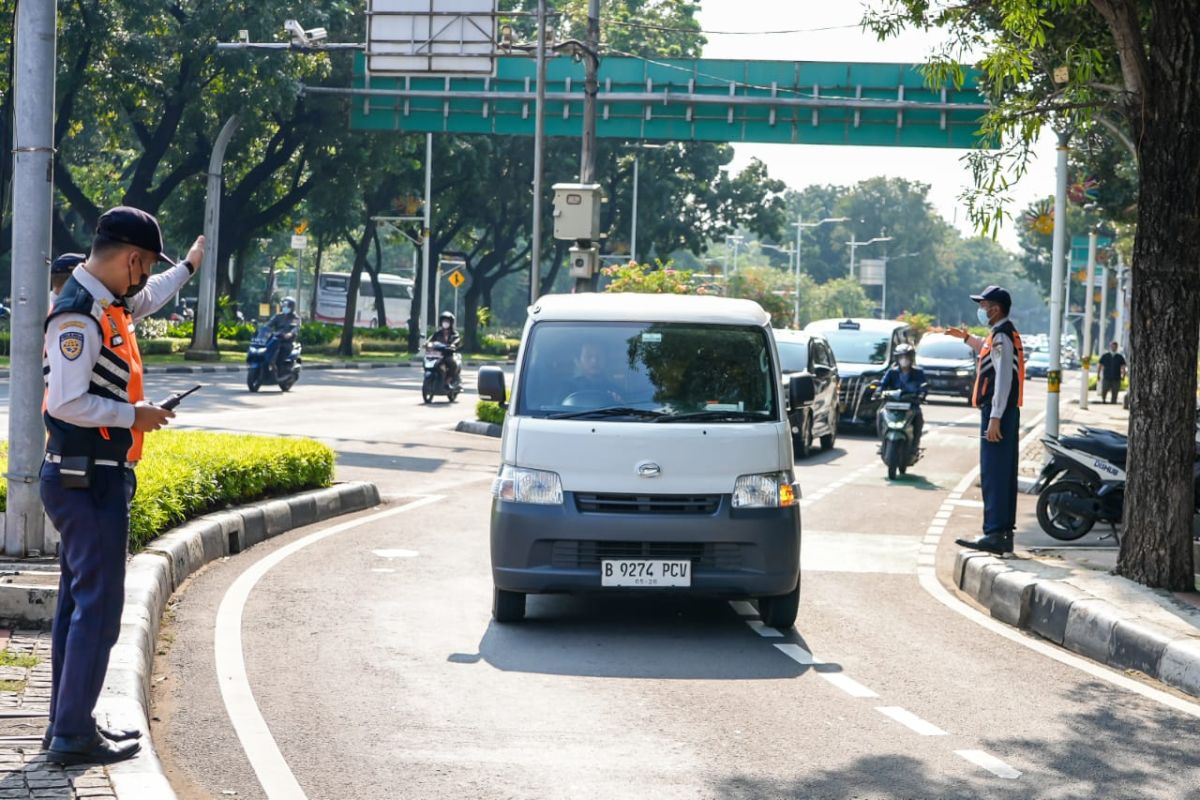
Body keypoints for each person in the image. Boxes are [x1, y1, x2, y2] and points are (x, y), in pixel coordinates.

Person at [41, 206, 203, 765]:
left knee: (77, 605)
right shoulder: (79, 315)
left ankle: (68, 721)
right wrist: (134, 415)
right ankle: (71, 734)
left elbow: (150, 297)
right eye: (143, 268)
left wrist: (186, 267)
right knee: (100, 608)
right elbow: (65, 401)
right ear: (131, 258)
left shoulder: (106, 302)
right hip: (85, 481)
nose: (141, 281)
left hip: (89, 477)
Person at [946, 285, 1025, 555]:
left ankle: (996, 534)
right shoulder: (1001, 334)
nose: (981, 310)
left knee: (995, 473)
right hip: (1001, 412)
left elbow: (1003, 379)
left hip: (998, 413)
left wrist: (995, 417)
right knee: (998, 472)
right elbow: (987, 351)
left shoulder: (1002, 336)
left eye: (984, 305)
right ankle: (999, 532)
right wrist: (967, 337)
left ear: (996, 308)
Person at [876, 342, 927, 448]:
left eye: (907, 356)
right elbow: (882, 385)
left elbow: (923, 386)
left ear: (911, 358)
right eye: (901, 357)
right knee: (880, 414)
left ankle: (914, 445)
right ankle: (883, 443)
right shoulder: (891, 372)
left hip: (911, 405)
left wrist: (922, 394)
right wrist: (878, 392)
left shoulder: (919, 372)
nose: (904, 359)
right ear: (897, 358)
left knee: (918, 419)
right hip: (892, 404)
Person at [426, 311, 462, 387]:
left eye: (447, 321)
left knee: (452, 363)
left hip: (448, 354)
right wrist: (426, 344)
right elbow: (431, 339)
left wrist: (453, 345)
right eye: (444, 321)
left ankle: (449, 380)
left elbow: (457, 340)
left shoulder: (454, 334)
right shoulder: (438, 333)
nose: (445, 323)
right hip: (438, 354)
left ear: (451, 323)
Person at [266, 297, 300, 374]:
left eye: (286, 306)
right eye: (283, 306)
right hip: (276, 338)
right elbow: (269, 324)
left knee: (284, 350)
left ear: (291, 307)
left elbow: (296, 328)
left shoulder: (295, 318)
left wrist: (290, 334)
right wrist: (264, 328)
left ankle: (280, 368)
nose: (284, 308)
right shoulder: (278, 316)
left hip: (287, 341)